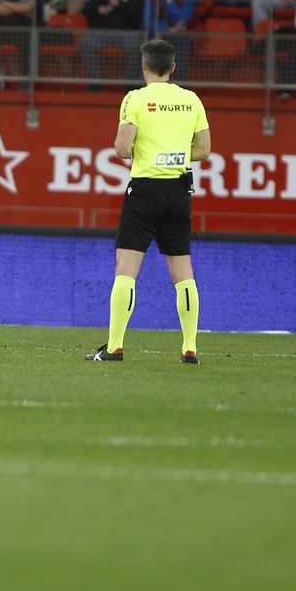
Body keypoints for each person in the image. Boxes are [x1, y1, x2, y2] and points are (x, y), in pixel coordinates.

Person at [87, 38, 210, 365]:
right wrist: (174, 154)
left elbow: (122, 148)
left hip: (144, 190)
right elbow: (204, 149)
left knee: (126, 270)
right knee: (183, 271)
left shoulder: (135, 99)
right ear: (173, 67)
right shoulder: (191, 99)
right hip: (179, 190)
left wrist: (148, 152)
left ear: (144, 66)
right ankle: (189, 347)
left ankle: (114, 347)